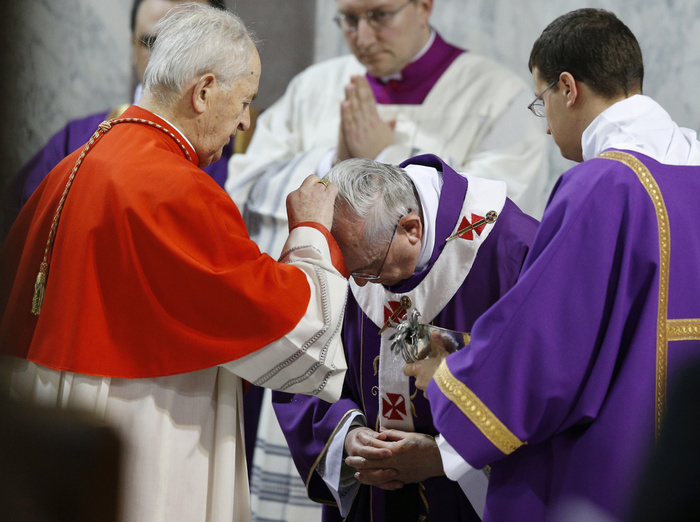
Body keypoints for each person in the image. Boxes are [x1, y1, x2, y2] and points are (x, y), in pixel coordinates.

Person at [0, 4, 349, 522]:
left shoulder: (81, 161)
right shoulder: (176, 189)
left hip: (65, 421)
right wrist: (312, 231)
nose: (245, 121)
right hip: (149, 426)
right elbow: (298, 330)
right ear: (204, 91)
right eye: (246, 100)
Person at [231, 1, 549, 517]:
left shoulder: (496, 106)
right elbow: (300, 350)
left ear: (423, 6)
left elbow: (534, 380)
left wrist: (391, 150)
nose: (361, 34)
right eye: (348, 20)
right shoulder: (316, 86)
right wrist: (344, 437)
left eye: (379, 15)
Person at [407, 8, 700, 521]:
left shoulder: (603, 186)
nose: (544, 129)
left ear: (568, 87)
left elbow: (547, 347)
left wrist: (450, 378)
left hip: (613, 468)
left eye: (539, 101)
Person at [273, 154, 539, 521]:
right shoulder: (349, 250)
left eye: (368, 268)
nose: (360, 284)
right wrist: (347, 434)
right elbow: (299, 361)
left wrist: (444, 457)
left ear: (412, 228)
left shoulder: (516, 255)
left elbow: (538, 393)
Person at [1, 0, 232, 243]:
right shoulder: (76, 143)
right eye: (153, 43)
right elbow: (26, 238)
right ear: (133, 47)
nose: (169, 59)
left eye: (188, 44)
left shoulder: (253, 151)